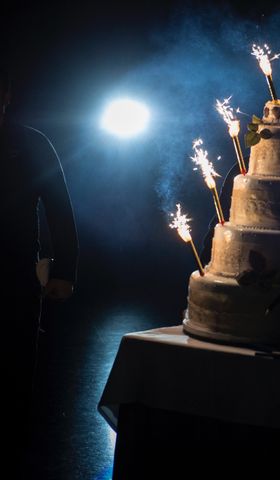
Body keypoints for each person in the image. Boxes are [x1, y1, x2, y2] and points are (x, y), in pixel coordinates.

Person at [1, 65, 78, 473]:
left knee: (14, 363)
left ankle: (14, 451)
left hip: (13, 273)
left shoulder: (31, 142)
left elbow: (60, 210)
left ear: (7, 94)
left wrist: (65, 271)